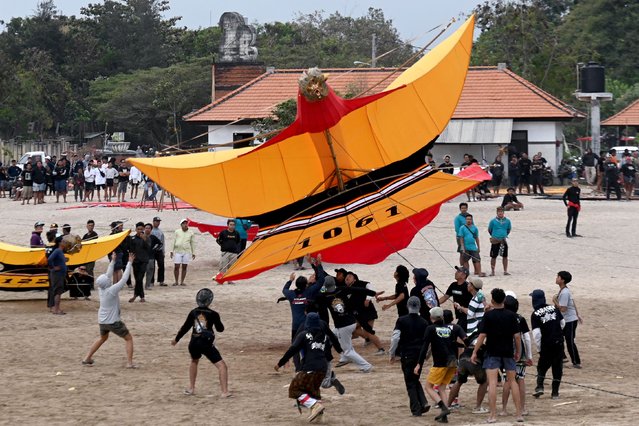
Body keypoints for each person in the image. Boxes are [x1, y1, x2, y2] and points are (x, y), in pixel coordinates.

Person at [275, 312, 341, 422]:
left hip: (311, 367)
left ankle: (315, 405)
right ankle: (319, 418)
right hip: (323, 368)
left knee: (294, 389)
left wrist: (280, 363)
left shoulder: (304, 335)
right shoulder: (324, 336)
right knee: (313, 390)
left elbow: (293, 350)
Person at [470, 288, 523, 423]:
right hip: (507, 352)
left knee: (492, 383)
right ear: (504, 300)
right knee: (512, 382)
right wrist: (518, 352)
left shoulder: (488, 316)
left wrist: (475, 351)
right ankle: (519, 414)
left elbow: (482, 336)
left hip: (492, 352)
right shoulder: (511, 315)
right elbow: (517, 337)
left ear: (492, 300)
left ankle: (493, 415)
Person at [172, 288, 230, 397]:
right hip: (205, 343)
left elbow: (185, 327)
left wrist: (176, 339)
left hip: (193, 342)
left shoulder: (193, 312)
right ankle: (224, 392)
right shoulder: (214, 314)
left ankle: (191, 388)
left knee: (194, 361)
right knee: (222, 366)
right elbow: (220, 329)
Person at [82, 253, 136, 368]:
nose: (109, 277)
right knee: (129, 338)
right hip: (113, 321)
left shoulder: (102, 289)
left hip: (102, 320)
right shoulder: (111, 290)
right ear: (107, 282)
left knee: (103, 338)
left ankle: (87, 358)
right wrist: (130, 262)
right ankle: (129, 363)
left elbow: (108, 273)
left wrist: (112, 261)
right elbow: (124, 278)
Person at [414, 306, 465, 423]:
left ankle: (443, 407)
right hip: (452, 362)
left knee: (428, 387)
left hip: (439, 363)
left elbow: (424, 348)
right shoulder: (450, 328)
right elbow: (456, 344)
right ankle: (444, 416)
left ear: (431, 317)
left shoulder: (430, 329)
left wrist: (419, 364)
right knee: (442, 388)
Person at [315, 276, 374, 372]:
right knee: (332, 337)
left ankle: (366, 366)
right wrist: (372, 293)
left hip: (343, 326)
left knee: (348, 351)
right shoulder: (341, 290)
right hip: (350, 322)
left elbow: (318, 294)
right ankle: (344, 358)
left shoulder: (325, 296)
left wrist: (322, 286)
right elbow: (357, 289)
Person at [389, 296, 430, 417]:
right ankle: (423, 402)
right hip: (419, 356)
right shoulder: (424, 322)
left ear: (407, 306)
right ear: (419, 307)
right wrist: (426, 356)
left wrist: (392, 353)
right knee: (415, 379)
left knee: (410, 383)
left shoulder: (401, 320)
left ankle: (416, 409)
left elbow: (395, 338)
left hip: (407, 355)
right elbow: (428, 342)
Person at [282, 271, 323, 371]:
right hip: (306, 325)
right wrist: (318, 265)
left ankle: (298, 368)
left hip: (295, 325)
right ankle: (306, 364)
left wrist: (290, 280)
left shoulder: (291, 295)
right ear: (306, 285)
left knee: (295, 346)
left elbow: (284, 290)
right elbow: (321, 281)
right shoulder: (308, 292)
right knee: (307, 344)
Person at [501, 293, 533, 417]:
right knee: (520, 379)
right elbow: (527, 338)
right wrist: (529, 356)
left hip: (506, 352)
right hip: (520, 354)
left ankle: (503, 409)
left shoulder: (502, 317)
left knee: (507, 381)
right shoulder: (520, 318)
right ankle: (522, 408)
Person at [530, 289, 564, 399]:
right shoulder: (554, 308)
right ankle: (555, 393)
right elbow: (562, 323)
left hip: (546, 344)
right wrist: (557, 332)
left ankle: (540, 386)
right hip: (558, 343)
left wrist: (539, 349)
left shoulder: (535, 314)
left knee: (542, 367)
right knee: (557, 368)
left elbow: (536, 335)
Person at [552, 271, 582, 369]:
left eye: (558, 277)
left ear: (562, 280)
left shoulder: (564, 292)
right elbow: (573, 303)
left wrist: (555, 301)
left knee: (570, 341)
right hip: (568, 319)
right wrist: (578, 314)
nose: (556, 278)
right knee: (558, 338)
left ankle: (576, 362)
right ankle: (563, 357)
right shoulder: (564, 290)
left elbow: (563, 309)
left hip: (569, 320)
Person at [439, 266, 472, 331]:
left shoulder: (468, 287)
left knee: (458, 331)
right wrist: (435, 303)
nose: (456, 273)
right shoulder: (453, 285)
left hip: (467, 314)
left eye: (458, 271)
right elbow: (445, 297)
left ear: (464, 275)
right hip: (459, 314)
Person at [128, 222, 151, 303]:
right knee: (137, 279)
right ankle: (140, 296)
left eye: (141, 229)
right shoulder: (133, 238)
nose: (140, 230)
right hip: (135, 261)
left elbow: (149, 249)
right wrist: (130, 260)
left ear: (143, 229)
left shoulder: (147, 238)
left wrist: (144, 240)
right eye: (138, 229)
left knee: (139, 278)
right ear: (136, 229)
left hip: (144, 261)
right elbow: (131, 250)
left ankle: (136, 295)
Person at [48, 238, 70, 315]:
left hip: (60, 274)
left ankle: (56, 308)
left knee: (58, 291)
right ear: (60, 243)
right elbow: (50, 259)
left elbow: (58, 260)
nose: (65, 242)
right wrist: (53, 267)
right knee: (58, 291)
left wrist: (65, 260)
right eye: (63, 241)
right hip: (57, 274)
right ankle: (56, 309)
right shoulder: (57, 250)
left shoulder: (60, 251)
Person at [170, 219, 195, 286]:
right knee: (176, 266)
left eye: (186, 223)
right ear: (181, 225)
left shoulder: (191, 232)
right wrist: (171, 250)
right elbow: (173, 241)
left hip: (186, 251)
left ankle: (182, 281)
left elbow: (192, 243)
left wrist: (193, 252)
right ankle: (176, 281)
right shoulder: (177, 232)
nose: (185, 225)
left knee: (184, 266)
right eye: (183, 223)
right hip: (178, 251)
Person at [488, 206, 512, 276]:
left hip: (503, 240)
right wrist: (495, 235)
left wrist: (504, 235)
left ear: (503, 212)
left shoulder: (507, 221)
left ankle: (505, 271)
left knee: (505, 256)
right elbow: (490, 230)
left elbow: (508, 229)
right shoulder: (493, 221)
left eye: (501, 211)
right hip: (495, 240)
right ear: (497, 212)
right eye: (499, 212)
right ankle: (492, 271)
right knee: (493, 256)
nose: (500, 213)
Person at [143, 223, 163, 291]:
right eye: (146, 228)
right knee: (141, 272)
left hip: (151, 256)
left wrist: (155, 249)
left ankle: (148, 285)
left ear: (151, 229)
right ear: (144, 229)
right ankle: (139, 285)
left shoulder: (153, 237)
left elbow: (160, 244)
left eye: (149, 228)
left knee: (150, 271)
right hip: (142, 257)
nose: (147, 229)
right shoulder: (141, 236)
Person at [151, 217, 166, 286]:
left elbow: (163, 242)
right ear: (153, 222)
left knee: (161, 265)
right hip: (152, 250)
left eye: (159, 221)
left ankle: (161, 281)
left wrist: (163, 251)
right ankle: (151, 281)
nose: (158, 223)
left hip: (159, 250)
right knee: (152, 266)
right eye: (156, 221)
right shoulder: (150, 231)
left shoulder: (160, 232)